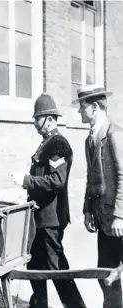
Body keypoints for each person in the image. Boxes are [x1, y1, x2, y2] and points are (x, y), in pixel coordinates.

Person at [12, 93, 86, 308]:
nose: (35, 123)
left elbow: (57, 180)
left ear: (50, 119)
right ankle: (38, 305)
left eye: (38, 119)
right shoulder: (46, 144)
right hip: (38, 216)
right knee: (35, 265)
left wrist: (26, 181)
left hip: (50, 219)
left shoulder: (58, 145)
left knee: (57, 269)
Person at [75, 84, 123, 308]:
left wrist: (119, 215)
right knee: (105, 271)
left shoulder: (114, 134)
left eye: (82, 107)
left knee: (112, 270)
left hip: (117, 220)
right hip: (103, 219)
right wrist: (87, 209)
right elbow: (91, 177)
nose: (78, 112)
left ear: (94, 107)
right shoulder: (89, 139)